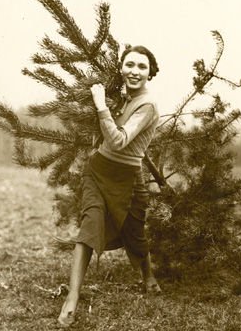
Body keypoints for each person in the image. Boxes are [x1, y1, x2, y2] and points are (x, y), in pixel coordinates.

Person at [58, 45, 161, 327]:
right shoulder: (122, 99)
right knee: (89, 227)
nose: (135, 71)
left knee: (135, 233)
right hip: (98, 172)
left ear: (151, 72)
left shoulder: (148, 106)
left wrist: (100, 103)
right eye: (129, 64)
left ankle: (148, 277)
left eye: (142, 66)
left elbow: (118, 141)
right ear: (121, 68)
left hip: (128, 178)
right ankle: (72, 299)